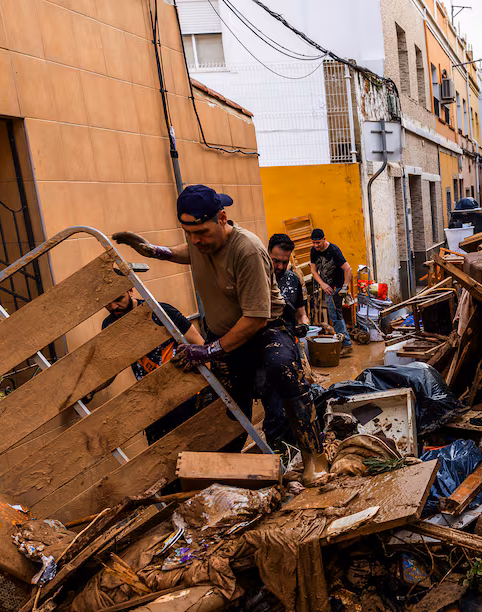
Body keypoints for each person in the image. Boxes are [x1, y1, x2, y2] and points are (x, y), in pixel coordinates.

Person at [111, 185, 327, 480]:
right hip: (225, 335)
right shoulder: (201, 243)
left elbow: (256, 318)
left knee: (283, 371)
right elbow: (186, 252)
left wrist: (208, 350)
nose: (195, 240)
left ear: (222, 218)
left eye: (201, 232)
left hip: (266, 331)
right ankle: (223, 471)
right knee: (222, 402)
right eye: (189, 233)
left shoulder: (247, 250)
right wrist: (155, 251)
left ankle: (314, 455)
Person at [91, 288, 206, 444]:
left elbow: (200, 345)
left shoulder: (161, 312)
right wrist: (90, 390)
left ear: (130, 291)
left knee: (198, 447)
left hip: (186, 395)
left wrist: (207, 389)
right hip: (153, 404)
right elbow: (112, 368)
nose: (113, 306)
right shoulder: (110, 326)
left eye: (118, 299)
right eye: (107, 303)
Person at [307, 229, 353, 356]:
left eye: (318, 242)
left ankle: (346, 344)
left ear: (324, 239)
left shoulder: (334, 250)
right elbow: (313, 271)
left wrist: (345, 287)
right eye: (313, 243)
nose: (316, 245)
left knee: (336, 316)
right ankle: (344, 343)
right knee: (336, 315)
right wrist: (322, 284)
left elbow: (348, 269)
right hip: (327, 287)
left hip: (336, 287)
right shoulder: (313, 251)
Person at [268, 233, 308, 328]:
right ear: (268, 253)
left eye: (285, 262)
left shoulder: (293, 280)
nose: (281, 267)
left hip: (288, 334)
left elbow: (301, 315)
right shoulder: (257, 279)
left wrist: (304, 325)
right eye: (276, 261)